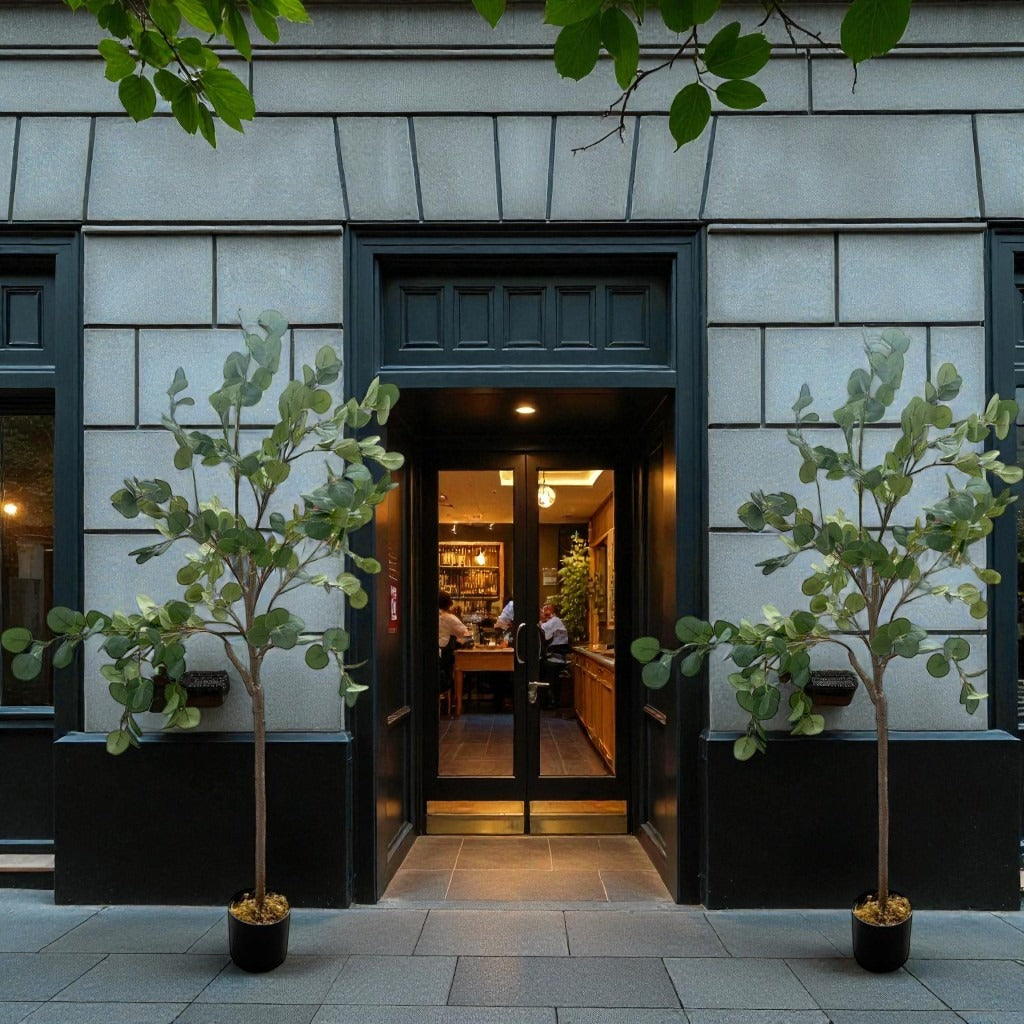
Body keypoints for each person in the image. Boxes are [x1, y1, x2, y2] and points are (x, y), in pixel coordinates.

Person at [539, 603, 571, 708]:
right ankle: (545, 699)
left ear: (550, 611)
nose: (543, 612)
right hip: (553, 656)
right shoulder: (553, 621)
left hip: (556, 659)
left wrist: (540, 621)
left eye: (544, 610)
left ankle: (547, 700)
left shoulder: (555, 621)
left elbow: (543, 631)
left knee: (539, 668)